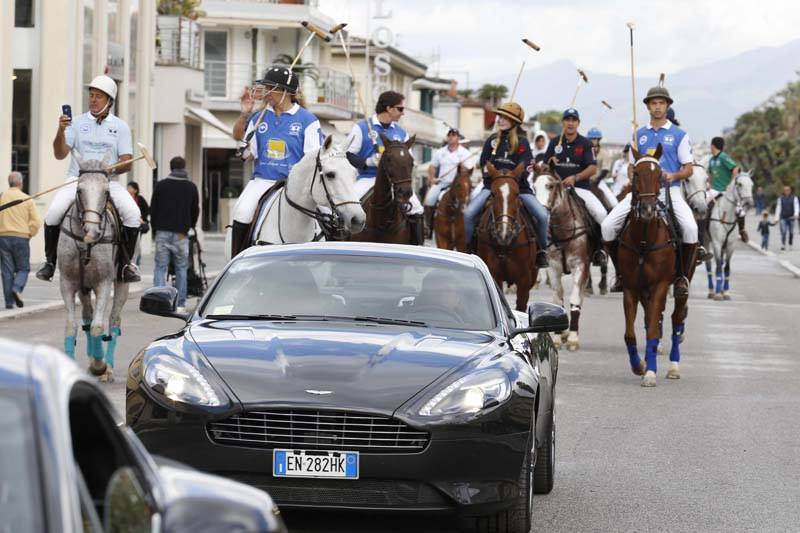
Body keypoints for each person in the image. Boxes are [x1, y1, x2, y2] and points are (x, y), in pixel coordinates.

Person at [37, 75, 142, 282]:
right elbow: (59, 154)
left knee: (133, 213)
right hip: (77, 180)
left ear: (109, 101)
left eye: (99, 97)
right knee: (53, 213)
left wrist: (107, 170)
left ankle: (125, 265)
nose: (93, 100)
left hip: (108, 183)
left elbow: (127, 162)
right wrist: (61, 130)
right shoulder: (75, 122)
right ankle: (50, 263)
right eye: (91, 96)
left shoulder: (120, 127)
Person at [601, 86, 699, 298]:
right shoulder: (639, 134)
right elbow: (630, 166)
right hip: (641, 194)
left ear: (667, 106)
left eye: (661, 103)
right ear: (647, 107)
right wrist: (633, 175)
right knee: (608, 226)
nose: (657, 107)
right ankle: (620, 274)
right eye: (653, 103)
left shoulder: (679, 135)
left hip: (669, 192)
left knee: (691, 229)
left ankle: (682, 277)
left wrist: (674, 176)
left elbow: (689, 168)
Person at [229, 66, 323, 257]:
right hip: (263, 180)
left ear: (285, 92)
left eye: (270, 88)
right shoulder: (258, 117)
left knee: (329, 215)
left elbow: (313, 159)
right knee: (242, 211)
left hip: (295, 184)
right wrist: (245, 117)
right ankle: (236, 261)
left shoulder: (308, 120)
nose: (265, 93)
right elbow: (248, 154)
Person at [464, 102, 549, 267]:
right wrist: (493, 175)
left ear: (514, 121)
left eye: (505, 118)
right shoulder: (492, 141)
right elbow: (484, 162)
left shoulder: (523, 142)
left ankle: (541, 251)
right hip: (491, 187)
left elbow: (526, 166)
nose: (500, 120)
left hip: (520, 188)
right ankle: (469, 249)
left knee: (542, 216)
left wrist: (510, 177)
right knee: (468, 213)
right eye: (500, 117)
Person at [345, 90, 425, 244]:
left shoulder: (401, 133)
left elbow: (409, 159)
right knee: (347, 206)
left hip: (395, 182)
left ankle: (418, 247)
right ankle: (339, 240)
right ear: (389, 108)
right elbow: (348, 154)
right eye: (400, 109)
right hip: (368, 178)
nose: (402, 113)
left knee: (417, 208)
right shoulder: (362, 127)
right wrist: (369, 162)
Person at [541, 109, 608, 264]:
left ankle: (599, 250)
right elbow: (544, 166)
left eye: (573, 120)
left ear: (578, 123)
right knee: (541, 215)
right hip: (557, 190)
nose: (570, 123)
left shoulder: (585, 143)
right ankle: (542, 250)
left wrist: (575, 177)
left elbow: (592, 168)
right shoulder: (554, 142)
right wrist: (550, 162)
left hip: (580, 189)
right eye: (567, 120)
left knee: (601, 213)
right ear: (563, 123)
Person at [150, 156, 200, 313]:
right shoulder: (191, 187)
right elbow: (195, 210)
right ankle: (180, 304)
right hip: (181, 234)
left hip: (162, 231)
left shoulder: (161, 186)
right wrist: (190, 226)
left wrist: (155, 229)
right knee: (181, 268)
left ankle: (159, 303)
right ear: (183, 167)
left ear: (170, 168)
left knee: (160, 266)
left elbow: (153, 209)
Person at [0, 172, 41, 308]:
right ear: (21, 184)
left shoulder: (2, 197)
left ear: (9, 183)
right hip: (21, 238)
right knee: (23, 268)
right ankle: (17, 288)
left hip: (3, 237)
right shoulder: (26, 199)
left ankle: (9, 303)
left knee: (7, 270)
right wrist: (30, 233)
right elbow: (36, 221)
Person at [424, 128, 474, 235]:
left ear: (458, 138)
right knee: (429, 199)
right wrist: (432, 178)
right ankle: (429, 227)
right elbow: (432, 166)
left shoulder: (465, 153)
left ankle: (471, 229)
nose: (451, 137)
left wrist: (462, 166)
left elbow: (469, 170)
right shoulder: (440, 152)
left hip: (458, 185)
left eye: (454, 135)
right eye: (449, 135)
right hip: (442, 182)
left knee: (471, 200)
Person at [708, 136, 747, 241]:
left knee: (740, 211)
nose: (710, 148)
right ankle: (702, 232)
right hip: (714, 190)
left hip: (726, 191)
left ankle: (742, 231)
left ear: (713, 146)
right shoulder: (712, 160)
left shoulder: (723, 157)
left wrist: (731, 184)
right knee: (702, 206)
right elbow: (709, 174)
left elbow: (736, 168)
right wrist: (709, 184)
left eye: (710, 146)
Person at [586, 127, 618, 208]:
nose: (592, 140)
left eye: (595, 139)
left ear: (598, 140)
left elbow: (605, 170)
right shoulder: (584, 153)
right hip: (585, 181)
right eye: (591, 139)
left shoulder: (604, 153)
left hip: (598, 181)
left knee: (614, 203)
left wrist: (596, 181)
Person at [127, 181, 150, 266]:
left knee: (137, 245)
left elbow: (147, 209)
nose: (128, 189)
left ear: (135, 190)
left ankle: (136, 263)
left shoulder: (139, 199)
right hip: (128, 223)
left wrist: (142, 218)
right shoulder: (126, 198)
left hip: (138, 225)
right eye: (128, 187)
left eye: (130, 187)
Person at [775, 185, 799, 250]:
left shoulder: (794, 198)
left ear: (790, 191)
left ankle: (790, 244)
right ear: (784, 191)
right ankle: (783, 244)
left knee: (791, 232)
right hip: (783, 217)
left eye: (788, 190)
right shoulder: (780, 198)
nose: (786, 191)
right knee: (783, 231)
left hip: (791, 218)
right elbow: (778, 208)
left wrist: (796, 214)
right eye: (785, 190)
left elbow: (796, 206)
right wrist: (776, 218)